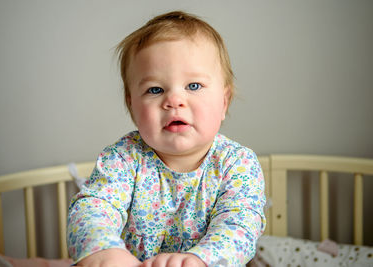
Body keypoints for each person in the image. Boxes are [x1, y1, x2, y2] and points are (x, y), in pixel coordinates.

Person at [67, 10, 266, 267]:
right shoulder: (123, 159)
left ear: (224, 102)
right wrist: (104, 252)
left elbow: (240, 226)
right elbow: (93, 209)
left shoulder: (237, 164)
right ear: (132, 107)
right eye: (155, 89)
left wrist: (199, 260)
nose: (174, 101)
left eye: (193, 86)